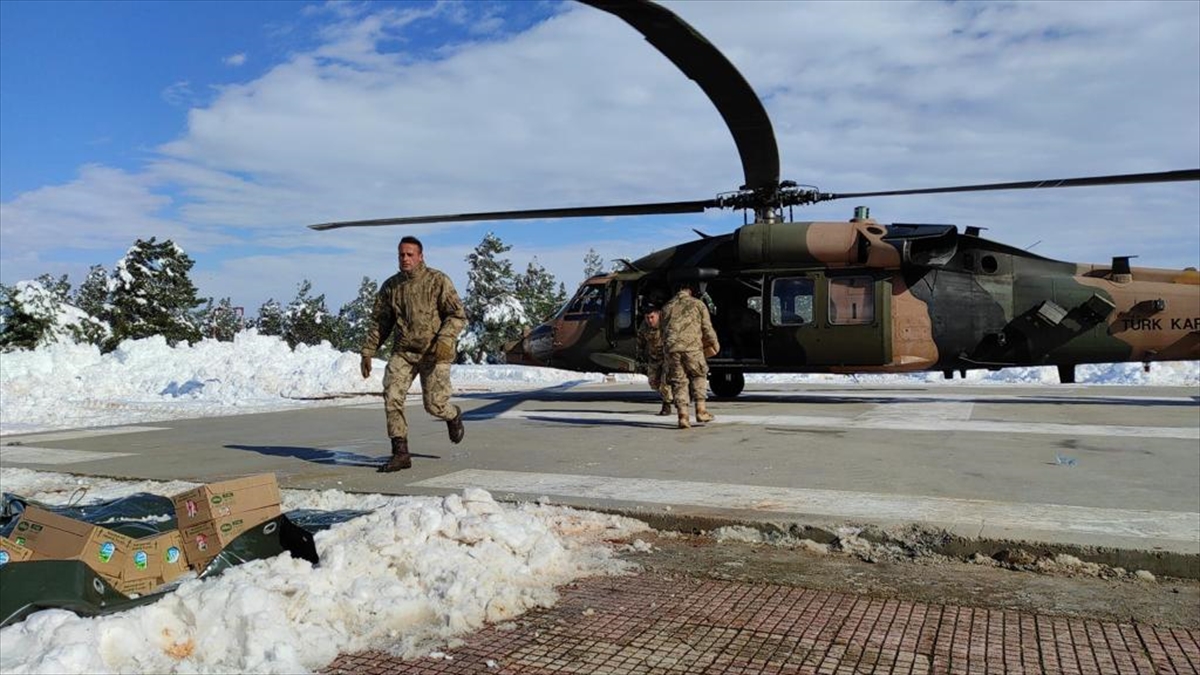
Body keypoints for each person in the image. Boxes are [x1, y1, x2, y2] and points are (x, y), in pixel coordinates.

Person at [360, 236, 467, 472]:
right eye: (401, 254)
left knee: (435, 406)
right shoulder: (391, 287)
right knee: (392, 395)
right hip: (404, 353)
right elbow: (380, 322)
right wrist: (368, 350)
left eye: (410, 254)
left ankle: (452, 415)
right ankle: (400, 453)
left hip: (434, 353)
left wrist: (445, 338)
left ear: (420, 256)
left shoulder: (438, 281)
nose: (405, 259)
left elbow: (458, 315)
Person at [660, 282, 720, 429]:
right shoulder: (698, 304)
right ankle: (701, 411)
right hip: (692, 347)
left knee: (679, 381)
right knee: (698, 375)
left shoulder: (666, 307)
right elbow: (706, 327)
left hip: (672, 349)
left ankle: (683, 417)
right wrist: (714, 343)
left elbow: (662, 331)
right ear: (690, 291)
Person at [636, 304, 673, 416]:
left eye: (652, 317)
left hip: (668, 357)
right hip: (654, 357)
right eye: (647, 318)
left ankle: (666, 405)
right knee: (653, 383)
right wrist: (640, 354)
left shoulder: (666, 323)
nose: (649, 320)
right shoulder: (644, 326)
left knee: (664, 382)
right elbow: (640, 341)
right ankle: (670, 395)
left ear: (658, 314)